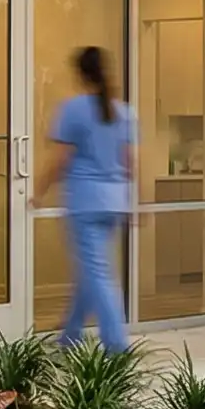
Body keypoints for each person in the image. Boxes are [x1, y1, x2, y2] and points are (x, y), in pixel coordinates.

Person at [38, 45, 133, 350]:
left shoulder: (74, 109)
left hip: (86, 203)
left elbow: (60, 159)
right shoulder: (124, 112)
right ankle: (70, 334)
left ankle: (116, 344)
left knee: (97, 274)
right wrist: (138, 203)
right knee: (91, 269)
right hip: (114, 201)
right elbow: (132, 161)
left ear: (80, 74)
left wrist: (37, 191)